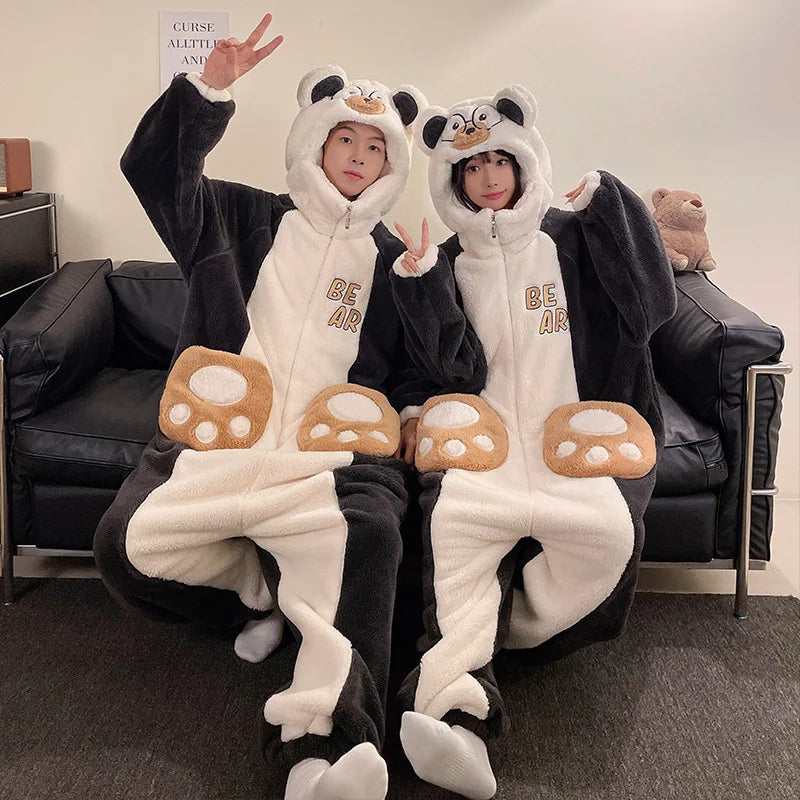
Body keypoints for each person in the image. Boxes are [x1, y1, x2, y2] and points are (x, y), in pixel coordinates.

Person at [93, 13, 484, 800]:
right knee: (123, 548)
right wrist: (208, 90)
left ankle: (326, 752)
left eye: (377, 148)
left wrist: (411, 399)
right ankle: (260, 592)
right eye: (347, 140)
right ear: (317, 139)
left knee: (371, 538)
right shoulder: (242, 219)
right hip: (220, 445)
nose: (360, 157)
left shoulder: (394, 260)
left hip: (327, 460)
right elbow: (154, 171)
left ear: (394, 162)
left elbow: (421, 374)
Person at [387, 86, 677, 799]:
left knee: (607, 535)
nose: (488, 176)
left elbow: (652, 304)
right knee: (453, 537)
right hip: (484, 442)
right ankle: (457, 722)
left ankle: (503, 627)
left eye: (499, 160)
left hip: (570, 438)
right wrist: (421, 288)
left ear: (522, 160)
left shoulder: (571, 239)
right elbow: (448, 370)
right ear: (452, 179)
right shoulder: (449, 259)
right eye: (471, 166)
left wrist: (610, 205)